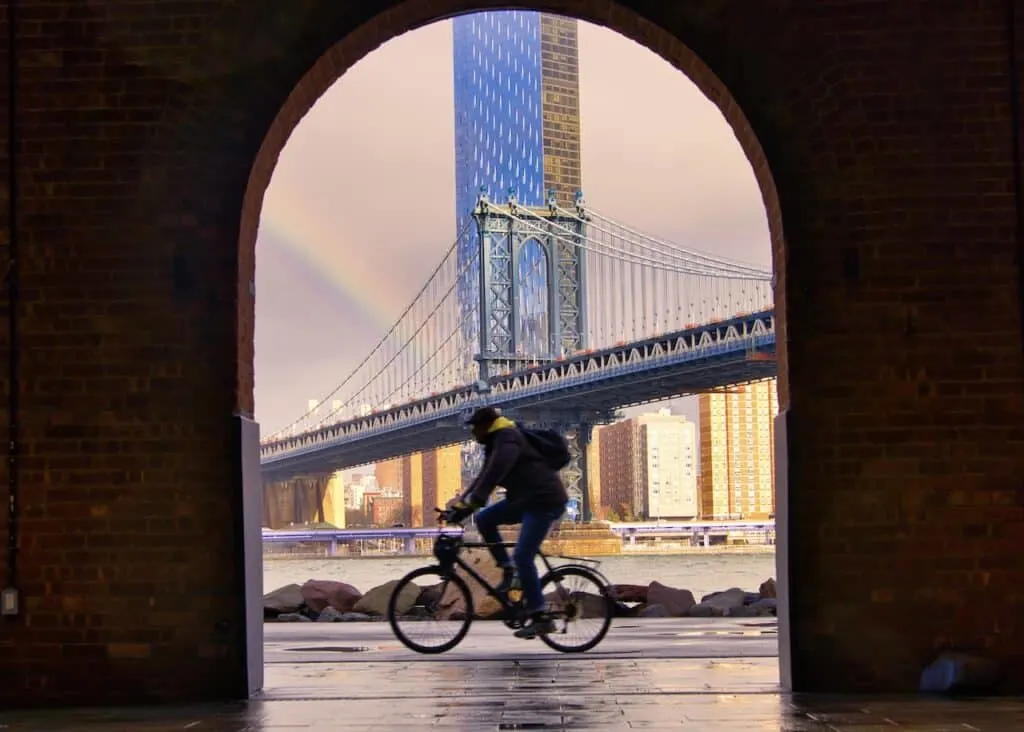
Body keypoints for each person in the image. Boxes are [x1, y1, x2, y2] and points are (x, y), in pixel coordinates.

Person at [443, 406, 568, 639]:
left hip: (544, 501)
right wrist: (459, 506)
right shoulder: (495, 443)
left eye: (474, 427)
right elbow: (482, 476)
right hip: (524, 500)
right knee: (484, 518)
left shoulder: (508, 439)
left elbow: (494, 475)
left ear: (486, 426)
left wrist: (474, 501)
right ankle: (508, 570)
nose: (472, 432)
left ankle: (541, 617)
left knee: (523, 555)